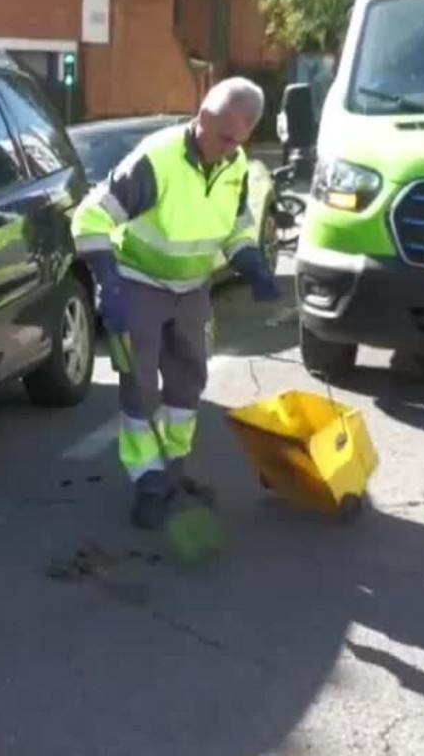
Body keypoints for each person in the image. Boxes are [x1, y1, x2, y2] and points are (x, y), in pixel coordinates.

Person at [71, 78, 282, 530]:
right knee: (141, 387)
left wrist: (252, 263)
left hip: (192, 288)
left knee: (188, 383)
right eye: (224, 138)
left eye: (238, 141)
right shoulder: (157, 160)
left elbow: (237, 224)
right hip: (139, 282)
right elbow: (89, 216)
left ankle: (174, 469)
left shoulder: (236, 164)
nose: (229, 150)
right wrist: (108, 283)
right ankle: (147, 480)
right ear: (202, 117)